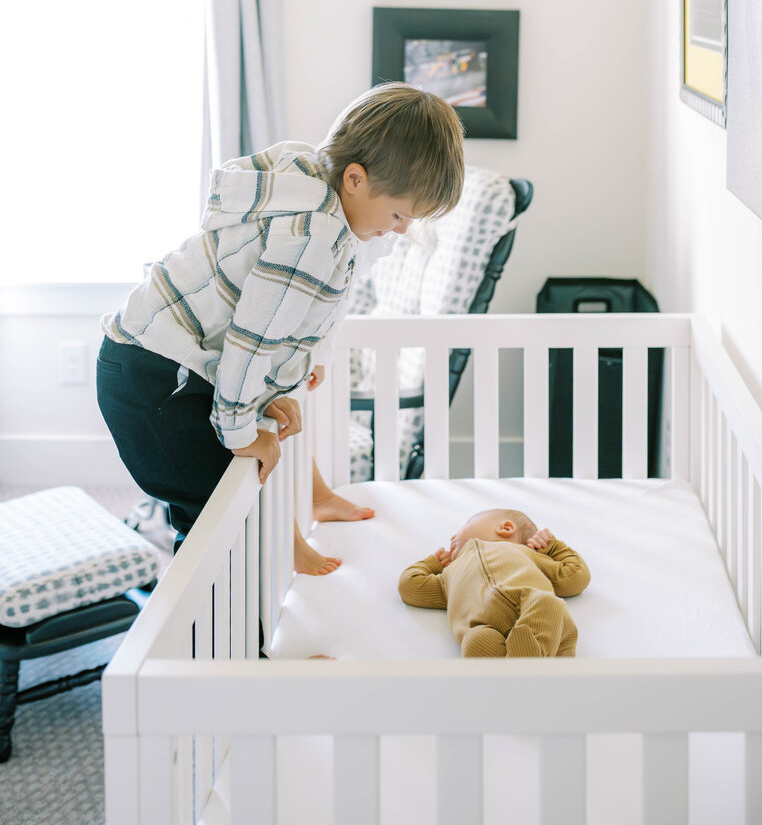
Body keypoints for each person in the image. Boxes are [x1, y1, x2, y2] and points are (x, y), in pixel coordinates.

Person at [96, 83, 465, 572]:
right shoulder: (312, 234)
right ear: (355, 179)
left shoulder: (311, 180)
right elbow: (255, 340)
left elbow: (282, 315)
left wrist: (278, 384)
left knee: (221, 514)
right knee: (227, 521)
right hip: (154, 381)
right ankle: (228, 644)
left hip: (158, 363)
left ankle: (224, 638)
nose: (398, 229)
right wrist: (239, 428)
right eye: (399, 214)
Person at [398, 508, 590, 657]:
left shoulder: (527, 553)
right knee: (476, 642)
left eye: (462, 528)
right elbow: (410, 586)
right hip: (482, 626)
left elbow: (575, 576)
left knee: (548, 604)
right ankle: (524, 673)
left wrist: (553, 547)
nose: (452, 537)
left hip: (530, 609)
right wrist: (431, 564)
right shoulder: (448, 575)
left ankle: (528, 668)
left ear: (505, 528)